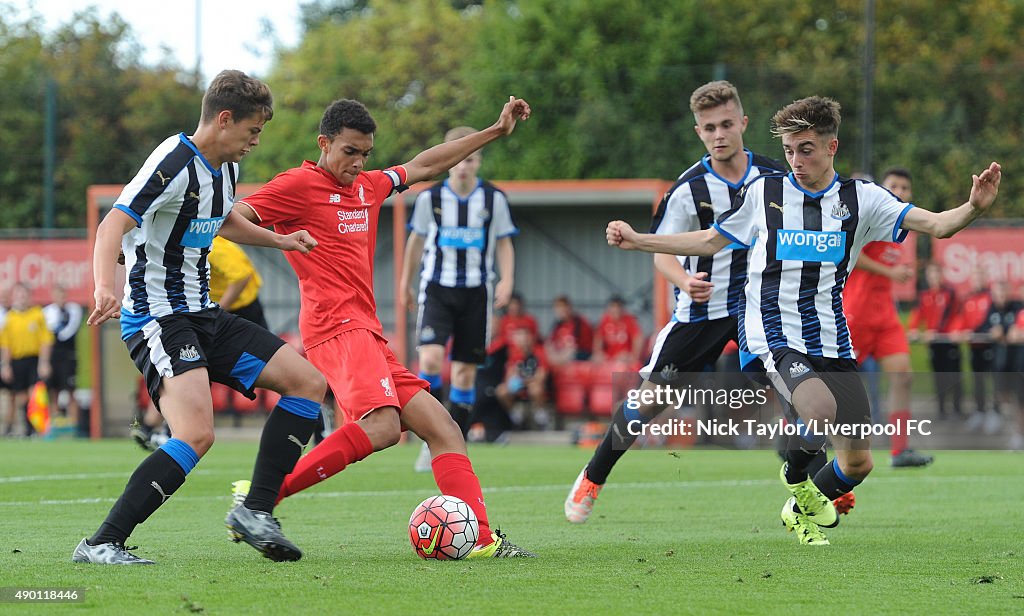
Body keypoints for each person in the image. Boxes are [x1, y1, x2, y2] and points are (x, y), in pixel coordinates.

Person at [605, 96, 1000, 545]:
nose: (795, 160)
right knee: (818, 410)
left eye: (806, 149)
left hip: (831, 335)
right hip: (772, 327)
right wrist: (641, 241)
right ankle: (795, 481)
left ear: (833, 146)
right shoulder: (766, 192)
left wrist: (973, 208)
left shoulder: (862, 199)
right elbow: (711, 240)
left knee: (857, 464)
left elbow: (939, 225)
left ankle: (797, 508)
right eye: (790, 150)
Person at [228, 96, 535, 558]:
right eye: (349, 151)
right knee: (384, 428)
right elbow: (232, 221)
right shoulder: (297, 185)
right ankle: (260, 501)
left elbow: (425, 164)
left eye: (365, 154)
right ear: (324, 143)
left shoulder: (368, 187)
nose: (358, 163)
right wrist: (279, 239)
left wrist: (494, 130)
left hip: (366, 330)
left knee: (445, 429)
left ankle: (483, 540)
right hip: (334, 328)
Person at [72, 70, 327, 566]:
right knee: (196, 434)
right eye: (253, 131)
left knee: (307, 383)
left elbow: (225, 220)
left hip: (205, 314)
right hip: (158, 318)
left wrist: (281, 239)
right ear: (224, 118)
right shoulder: (172, 161)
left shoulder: (225, 167)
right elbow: (112, 225)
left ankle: (255, 511)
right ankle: (102, 543)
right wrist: (105, 286)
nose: (255, 142)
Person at [565, 81, 786, 524]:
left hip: (758, 305)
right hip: (702, 310)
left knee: (793, 385)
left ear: (743, 123)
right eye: (710, 128)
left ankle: (815, 482)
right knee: (650, 400)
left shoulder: (774, 176)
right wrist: (684, 280)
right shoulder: (689, 188)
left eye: (727, 124)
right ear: (698, 132)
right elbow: (662, 250)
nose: (720, 133)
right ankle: (593, 474)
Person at [398, 125, 518, 471]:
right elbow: (416, 242)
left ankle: (454, 446)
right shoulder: (430, 198)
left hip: (476, 292)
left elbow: (505, 241)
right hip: (437, 288)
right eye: (459, 158)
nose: (464, 165)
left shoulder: (493, 199)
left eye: (472, 158)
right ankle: (430, 437)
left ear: (478, 162)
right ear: (449, 161)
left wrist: (507, 279)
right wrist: (406, 281)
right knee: (432, 360)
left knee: (465, 374)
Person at [842, 168, 933, 468]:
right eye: (894, 185)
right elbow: (852, 254)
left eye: (906, 187)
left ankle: (899, 450)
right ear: (881, 188)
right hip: (855, 314)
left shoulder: (899, 229)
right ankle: (796, 433)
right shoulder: (870, 217)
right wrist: (891, 272)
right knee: (831, 384)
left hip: (885, 316)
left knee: (903, 375)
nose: (901, 191)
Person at [908, 261, 964, 419]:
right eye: (931, 275)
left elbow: (954, 315)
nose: (934, 278)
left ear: (941, 275)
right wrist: (913, 330)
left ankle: (957, 409)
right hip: (934, 343)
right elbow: (917, 315)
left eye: (937, 274)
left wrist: (950, 331)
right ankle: (941, 410)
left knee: (954, 375)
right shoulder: (924, 295)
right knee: (938, 376)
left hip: (949, 341)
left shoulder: (950, 293)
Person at [0, 283, 53, 437]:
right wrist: (6, 365)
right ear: (14, 297)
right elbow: (6, 345)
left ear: (29, 296)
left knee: (34, 394)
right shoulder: (10, 317)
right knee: (20, 397)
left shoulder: (37, 314)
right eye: (18, 295)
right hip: (17, 361)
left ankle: (36, 429)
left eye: (24, 294)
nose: (21, 298)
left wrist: (44, 362)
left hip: (34, 360)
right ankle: (26, 428)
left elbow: (45, 341)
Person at [960, 268, 999, 434]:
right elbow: (962, 320)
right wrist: (962, 331)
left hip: (990, 345)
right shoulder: (968, 298)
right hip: (974, 346)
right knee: (977, 380)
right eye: (975, 278)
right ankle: (979, 411)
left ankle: (995, 412)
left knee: (994, 380)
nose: (977, 281)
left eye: (980, 277)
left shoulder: (992, 298)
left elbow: (993, 319)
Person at [42, 285, 85, 436]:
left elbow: (69, 331)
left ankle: (74, 426)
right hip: (53, 355)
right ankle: (54, 426)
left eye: (62, 295)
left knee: (71, 390)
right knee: (52, 391)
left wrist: (55, 332)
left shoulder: (73, 309)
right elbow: (44, 336)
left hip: (68, 356)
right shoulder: (47, 312)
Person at [496, 326, 551, 429]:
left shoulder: (539, 352)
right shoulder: (514, 354)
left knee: (535, 389)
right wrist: (515, 380)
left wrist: (523, 381)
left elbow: (541, 376)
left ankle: (541, 415)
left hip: (535, 385)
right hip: (520, 385)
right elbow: (510, 375)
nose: (524, 340)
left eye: (526, 337)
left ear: (531, 338)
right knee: (501, 390)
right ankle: (515, 415)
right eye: (520, 337)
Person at [592, 295, 644, 363]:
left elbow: (638, 338)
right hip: (608, 358)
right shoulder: (604, 320)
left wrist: (634, 356)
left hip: (624, 357)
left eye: (618, 306)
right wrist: (599, 353)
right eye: (613, 306)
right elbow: (598, 339)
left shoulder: (629, 320)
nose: (616, 309)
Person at [546, 295, 593, 365]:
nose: (561, 310)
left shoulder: (579, 322)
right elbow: (549, 344)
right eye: (558, 308)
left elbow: (575, 347)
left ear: (569, 307)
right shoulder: (557, 325)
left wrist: (560, 358)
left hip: (581, 355)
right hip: (562, 356)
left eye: (563, 307)